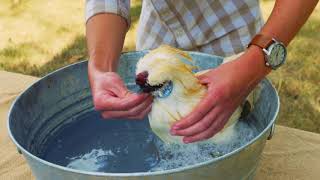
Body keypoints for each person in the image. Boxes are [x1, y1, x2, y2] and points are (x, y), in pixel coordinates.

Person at [85, 0, 318, 143]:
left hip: (234, 37)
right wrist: (101, 67)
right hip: (158, 41)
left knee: (227, 141)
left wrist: (255, 63)